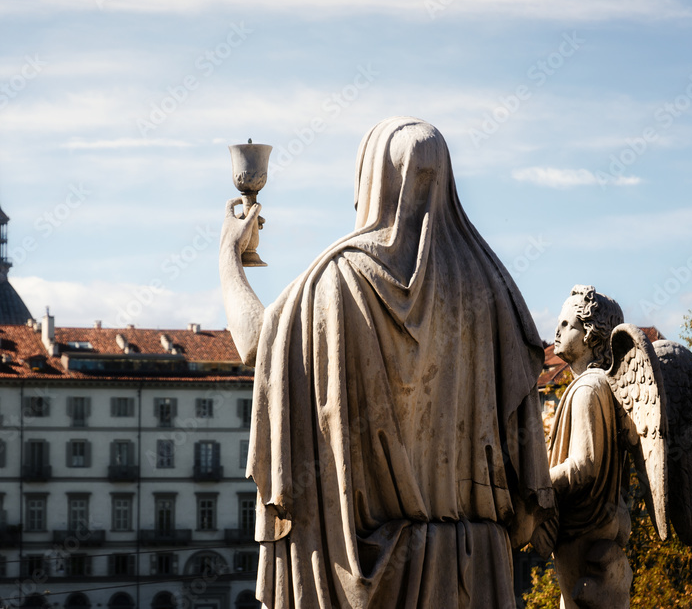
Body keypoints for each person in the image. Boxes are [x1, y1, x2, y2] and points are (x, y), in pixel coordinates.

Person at [220, 117, 553, 608]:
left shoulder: (335, 282)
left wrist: (229, 254)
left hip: (361, 568)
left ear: (371, 180)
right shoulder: (493, 289)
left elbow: (257, 345)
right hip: (474, 576)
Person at [537, 286, 631, 609]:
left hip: (582, 525)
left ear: (590, 334)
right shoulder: (604, 386)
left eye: (567, 325)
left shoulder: (588, 390)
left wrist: (538, 483)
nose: (557, 331)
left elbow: (583, 464)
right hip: (597, 522)